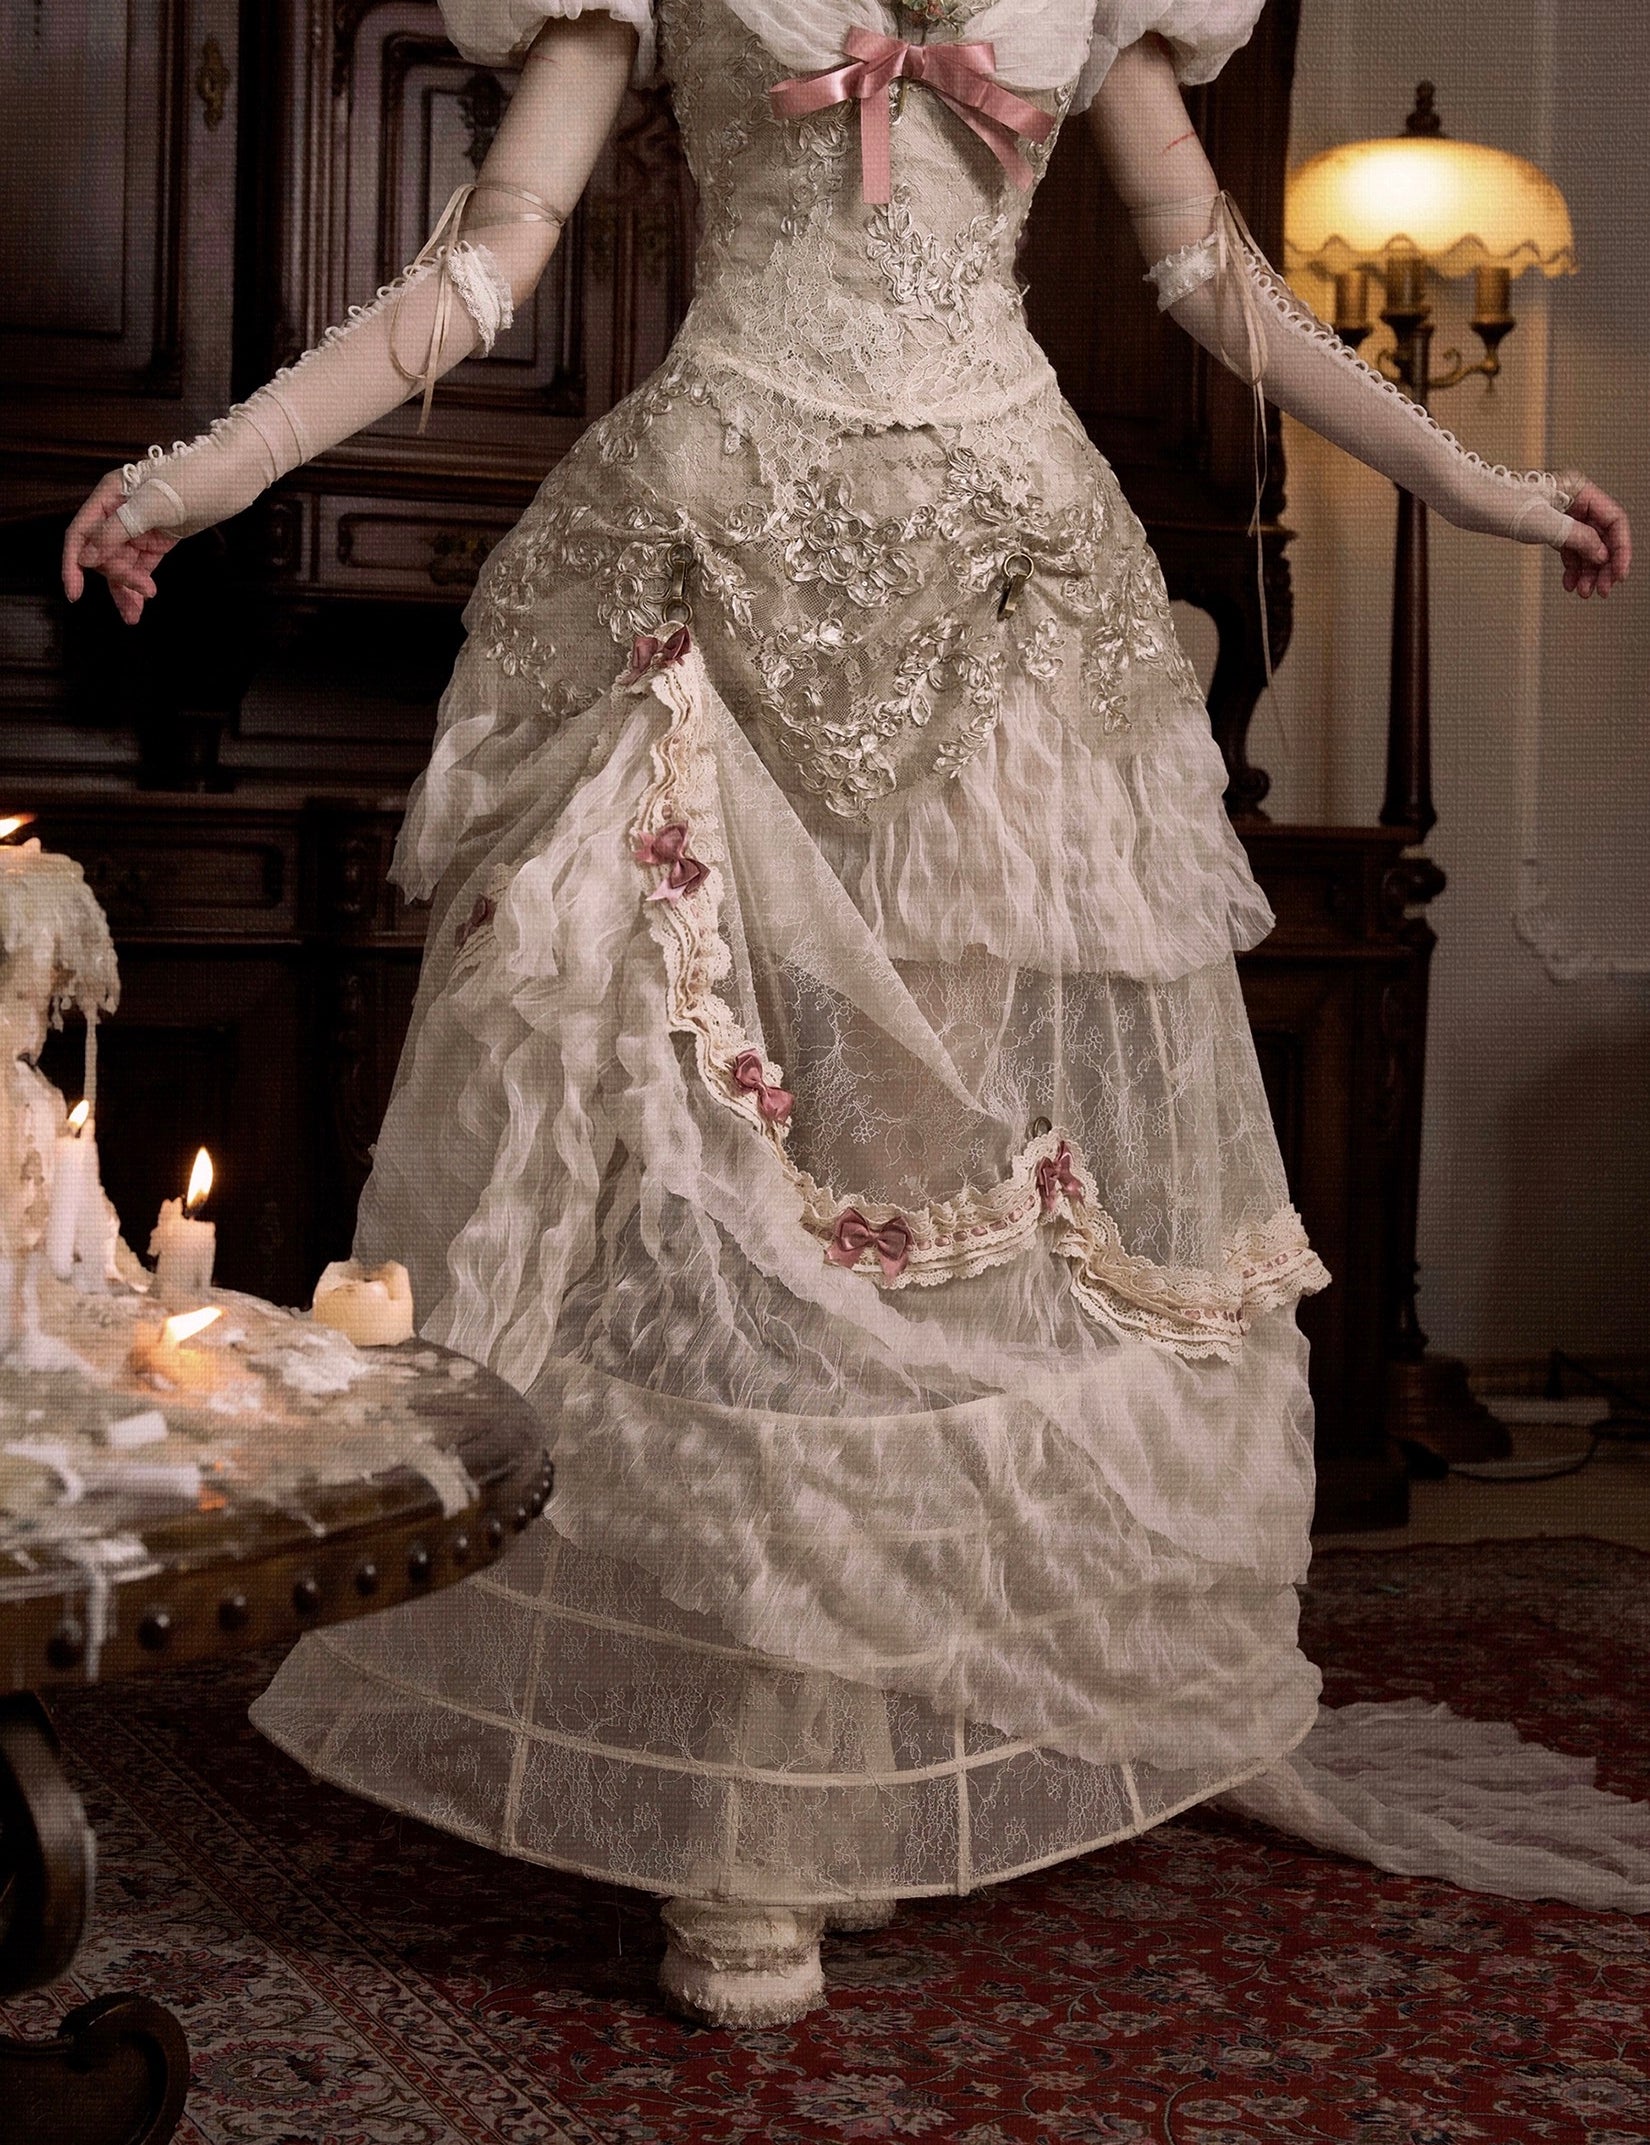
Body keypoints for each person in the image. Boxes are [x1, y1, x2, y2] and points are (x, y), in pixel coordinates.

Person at [62, 0, 1644, 2029]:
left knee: (941, 1224)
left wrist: (1480, 485)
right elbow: (484, 258)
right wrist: (205, 474)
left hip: (1003, 605)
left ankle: (870, 1751)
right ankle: (751, 1813)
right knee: (726, 1231)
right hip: (716, 564)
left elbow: (1212, 285)